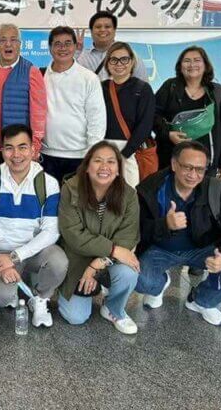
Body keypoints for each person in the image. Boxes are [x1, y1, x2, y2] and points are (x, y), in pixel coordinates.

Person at [135, 141, 221, 326]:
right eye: (187, 167)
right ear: (174, 164)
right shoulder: (150, 189)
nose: (193, 175)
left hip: (203, 249)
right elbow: (135, 230)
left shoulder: (215, 190)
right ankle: (159, 284)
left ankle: (201, 301)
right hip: (160, 250)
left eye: (199, 169)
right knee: (138, 279)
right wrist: (164, 224)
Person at [0, 124, 67, 328]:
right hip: (0, 253)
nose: (16, 154)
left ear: (33, 149)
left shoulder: (48, 183)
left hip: (34, 252)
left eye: (22, 147)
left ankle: (40, 298)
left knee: (58, 261)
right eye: (9, 147)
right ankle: (17, 286)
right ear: (2, 150)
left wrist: (14, 257)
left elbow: (51, 231)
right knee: (0, 299)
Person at [57, 141, 141, 334]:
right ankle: (63, 289)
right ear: (87, 167)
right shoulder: (71, 189)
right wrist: (113, 250)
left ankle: (113, 308)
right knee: (76, 317)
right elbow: (73, 235)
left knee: (129, 273)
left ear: (118, 169)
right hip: (77, 257)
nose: (105, 167)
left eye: (111, 162)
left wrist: (98, 263)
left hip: (107, 259)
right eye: (98, 161)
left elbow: (127, 238)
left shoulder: (129, 195)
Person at [153, 46, 221, 179]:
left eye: (197, 60)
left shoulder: (218, 92)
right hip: (171, 159)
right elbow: (152, 115)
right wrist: (167, 133)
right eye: (187, 61)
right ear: (180, 66)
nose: (192, 65)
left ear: (205, 65)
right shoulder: (170, 87)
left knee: (204, 197)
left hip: (207, 162)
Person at [41, 26, 106, 183]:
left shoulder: (88, 78)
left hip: (79, 156)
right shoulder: (40, 76)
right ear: (50, 48)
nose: (63, 48)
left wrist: (93, 156)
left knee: (76, 205)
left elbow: (96, 119)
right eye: (57, 44)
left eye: (68, 43)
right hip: (46, 155)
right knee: (49, 205)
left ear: (76, 46)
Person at [0, 24, 46, 162]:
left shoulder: (31, 71)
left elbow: (39, 112)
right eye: (2, 40)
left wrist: (34, 147)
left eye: (13, 40)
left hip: (17, 150)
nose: (8, 44)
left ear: (20, 44)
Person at [101, 41, 155, 187]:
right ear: (108, 63)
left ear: (132, 62)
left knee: (130, 198)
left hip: (131, 152)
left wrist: (125, 153)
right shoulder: (100, 88)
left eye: (124, 59)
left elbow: (145, 125)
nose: (119, 64)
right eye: (114, 59)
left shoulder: (143, 89)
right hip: (104, 151)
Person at [77, 11, 148, 82]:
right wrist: (75, 53)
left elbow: (143, 86)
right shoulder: (81, 57)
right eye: (98, 27)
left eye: (107, 27)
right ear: (91, 31)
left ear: (114, 30)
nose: (102, 30)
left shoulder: (130, 55)